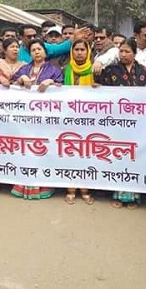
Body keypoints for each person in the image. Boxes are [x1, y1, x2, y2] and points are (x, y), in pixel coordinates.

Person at [96, 38, 146, 208]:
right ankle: (116, 194)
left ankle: (134, 196)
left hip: (137, 122)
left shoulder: (144, 71)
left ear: (135, 53)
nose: (123, 54)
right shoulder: (109, 71)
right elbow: (102, 94)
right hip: (115, 122)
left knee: (134, 157)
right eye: (121, 51)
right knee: (117, 156)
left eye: (127, 51)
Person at [10, 39, 63, 200]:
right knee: (26, 149)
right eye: (33, 50)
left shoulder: (54, 70)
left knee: (43, 149)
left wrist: (51, 81)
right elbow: (12, 85)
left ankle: (43, 185)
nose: (36, 52)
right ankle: (24, 185)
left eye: (39, 49)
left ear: (45, 52)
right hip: (26, 118)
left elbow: (63, 89)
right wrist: (21, 79)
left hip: (46, 118)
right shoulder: (24, 69)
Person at [62, 39, 95, 206]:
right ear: (72, 52)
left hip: (90, 119)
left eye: (83, 49)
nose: (80, 53)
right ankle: (71, 188)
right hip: (69, 118)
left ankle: (85, 189)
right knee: (70, 153)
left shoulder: (95, 70)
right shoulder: (66, 70)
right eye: (76, 49)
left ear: (88, 52)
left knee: (86, 154)